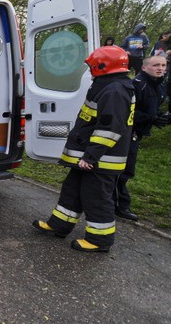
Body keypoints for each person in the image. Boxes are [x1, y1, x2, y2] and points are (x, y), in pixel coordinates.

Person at [33, 46, 135, 253]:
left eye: (92, 66)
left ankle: (100, 240)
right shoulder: (109, 86)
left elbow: (110, 128)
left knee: (96, 198)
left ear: (103, 65)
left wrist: (91, 156)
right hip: (92, 157)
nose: (90, 70)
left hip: (101, 160)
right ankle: (59, 226)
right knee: (72, 191)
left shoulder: (115, 90)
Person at [113, 54, 171, 221]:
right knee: (123, 171)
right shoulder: (137, 85)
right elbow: (128, 111)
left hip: (138, 133)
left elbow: (150, 110)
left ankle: (115, 202)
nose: (160, 68)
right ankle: (119, 205)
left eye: (163, 65)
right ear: (144, 67)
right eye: (155, 65)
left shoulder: (159, 86)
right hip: (127, 133)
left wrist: (162, 117)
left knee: (126, 170)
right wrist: (151, 118)